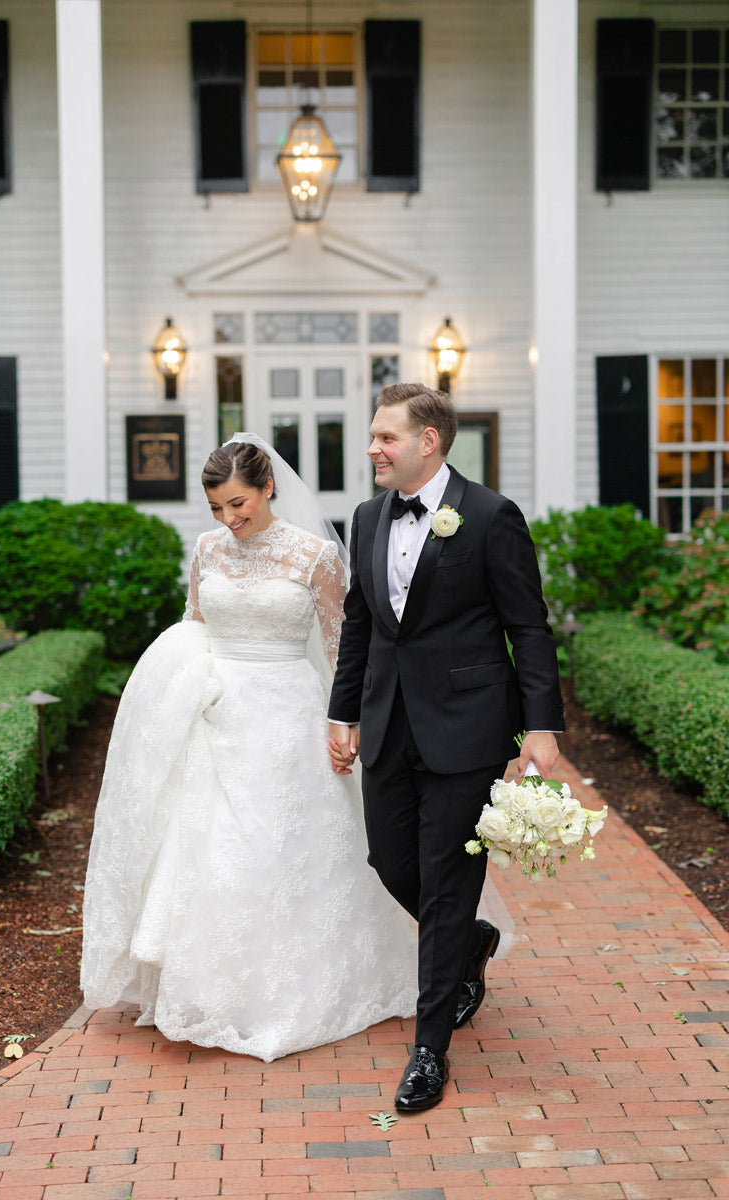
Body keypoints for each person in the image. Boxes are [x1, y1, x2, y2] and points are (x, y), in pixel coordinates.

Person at [80, 434, 419, 1062]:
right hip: (216, 713)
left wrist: (349, 723)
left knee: (285, 845)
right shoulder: (208, 550)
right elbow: (194, 627)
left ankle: (296, 986)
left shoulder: (315, 556)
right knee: (209, 847)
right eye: (216, 509)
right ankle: (211, 991)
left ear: (267, 488)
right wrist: (179, 690)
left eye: (238, 504)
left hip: (290, 712)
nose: (229, 520)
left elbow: (344, 648)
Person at [328, 383, 564, 1112]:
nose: (372, 448)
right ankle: (467, 941)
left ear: (427, 441)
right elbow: (362, 625)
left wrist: (542, 727)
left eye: (385, 437)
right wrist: (343, 713)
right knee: (389, 860)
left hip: (466, 726)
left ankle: (430, 1048)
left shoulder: (492, 517)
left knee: (445, 879)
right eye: (373, 436)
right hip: (388, 722)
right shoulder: (367, 516)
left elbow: (528, 626)